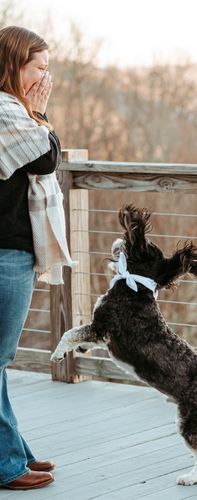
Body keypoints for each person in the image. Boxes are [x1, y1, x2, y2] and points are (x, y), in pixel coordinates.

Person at [0, 26, 73, 490]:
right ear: (14, 65)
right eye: (39, 68)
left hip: (13, 249)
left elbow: (50, 152)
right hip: (5, 251)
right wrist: (41, 112)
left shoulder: (17, 112)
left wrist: (38, 114)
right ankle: (6, 464)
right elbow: (47, 159)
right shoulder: (5, 111)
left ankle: (13, 452)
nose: (46, 77)